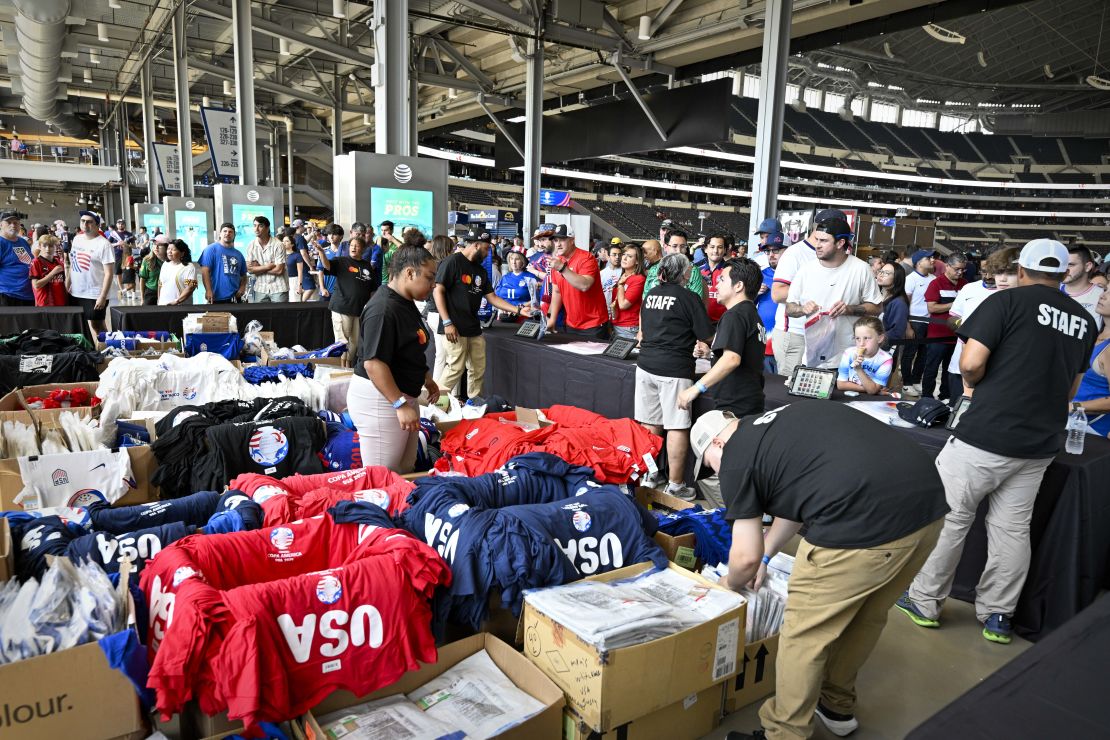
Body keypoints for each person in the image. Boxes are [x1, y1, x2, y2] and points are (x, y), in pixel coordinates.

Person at [690, 401, 947, 740]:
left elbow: (744, 559)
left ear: (718, 444)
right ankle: (836, 706)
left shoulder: (736, 458)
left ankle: (784, 733)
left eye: (710, 465)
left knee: (803, 633)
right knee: (865, 615)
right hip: (926, 507)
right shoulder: (779, 421)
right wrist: (767, 556)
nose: (717, 474)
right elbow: (800, 497)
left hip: (862, 520)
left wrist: (727, 584)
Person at [898, 239, 1095, 646]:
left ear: (1021, 270)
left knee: (950, 517)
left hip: (986, 432)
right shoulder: (1083, 319)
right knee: (1011, 528)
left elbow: (969, 363)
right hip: (1040, 441)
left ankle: (925, 601)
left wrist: (975, 383)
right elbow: (1070, 388)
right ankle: (998, 615)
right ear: (1061, 274)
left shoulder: (1005, 303)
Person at [347, 246, 441, 472]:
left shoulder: (404, 300)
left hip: (399, 397)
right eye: (429, 277)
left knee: (405, 471)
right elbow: (374, 363)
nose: (433, 285)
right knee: (383, 477)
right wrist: (399, 403)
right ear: (409, 273)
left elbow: (408, 349)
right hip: (382, 401)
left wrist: (426, 378)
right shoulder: (383, 308)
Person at [635, 253, 713, 500]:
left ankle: (649, 475)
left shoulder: (651, 295)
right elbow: (706, 334)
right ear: (685, 274)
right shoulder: (689, 298)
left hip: (646, 364)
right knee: (676, 426)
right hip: (673, 369)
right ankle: (676, 484)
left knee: (650, 424)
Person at [434, 226, 533, 402]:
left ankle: (474, 403)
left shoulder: (480, 270)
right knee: (455, 368)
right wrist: (447, 322)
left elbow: (492, 297)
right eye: (487, 248)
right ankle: (436, 406)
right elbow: (437, 290)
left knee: (478, 368)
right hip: (454, 326)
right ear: (477, 245)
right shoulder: (452, 262)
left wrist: (518, 310)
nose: (489, 253)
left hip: (473, 327)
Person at [785, 218, 881, 368]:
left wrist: (850, 309)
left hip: (849, 358)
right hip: (812, 358)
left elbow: (877, 308)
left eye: (823, 241)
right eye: (817, 240)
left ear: (840, 243)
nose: (817, 245)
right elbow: (790, 308)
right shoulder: (805, 270)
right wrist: (802, 309)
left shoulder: (861, 269)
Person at [677, 257, 766, 417]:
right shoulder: (751, 313)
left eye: (722, 280)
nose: (716, 285)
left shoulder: (735, 315)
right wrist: (710, 353)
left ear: (738, 286)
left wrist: (696, 388)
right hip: (749, 401)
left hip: (736, 405)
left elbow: (732, 359)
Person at [771, 210, 847, 377]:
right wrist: (816, 287)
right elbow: (777, 294)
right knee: (790, 388)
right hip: (795, 333)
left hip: (824, 334)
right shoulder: (796, 253)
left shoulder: (838, 255)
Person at [944, 247, 1019, 402]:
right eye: (985, 271)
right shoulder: (969, 288)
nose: (989, 276)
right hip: (961, 365)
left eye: (995, 271)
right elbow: (952, 319)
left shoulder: (1014, 299)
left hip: (994, 373)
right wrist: (967, 326)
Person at [306, 235, 377, 367]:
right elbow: (327, 266)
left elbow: (372, 290)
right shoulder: (342, 261)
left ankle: (347, 368)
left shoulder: (367, 266)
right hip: (341, 307)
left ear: (363, 248)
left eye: (357, 245)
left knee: (354, 344)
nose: (354, 248)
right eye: (351, 245)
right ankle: (343, 369)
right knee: (342, 342)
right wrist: (321, 252)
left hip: (359, 310)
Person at [546, 224, 611, 340]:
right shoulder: (558, 262)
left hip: (593, 324)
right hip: (571, 324)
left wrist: (562, 268)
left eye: (562, 240)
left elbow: (584, 285)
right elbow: (557, 292)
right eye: (556, 240)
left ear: (572, 240)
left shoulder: (586, 258)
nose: (558, 244)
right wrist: (552, 318)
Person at [922, 253, 968, 401]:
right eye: (957, 269)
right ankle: (926, 397)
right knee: (931, 368)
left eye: (963, 269)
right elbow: (932, 308)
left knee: (951, 370)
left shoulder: (965, 284)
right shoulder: (936, 283)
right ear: (947, 266)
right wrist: (955, 304)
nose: (960, 272)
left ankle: (945, 396)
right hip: (937, 336)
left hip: (957, 337)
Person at [67, 210, 115, 335]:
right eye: (83, 221)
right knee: (78, 325)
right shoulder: (77, 239)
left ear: (97, 225)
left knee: (97, 326)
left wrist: (102, 297)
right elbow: (73, 262)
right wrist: (68, 282)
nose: (85, 224)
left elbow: (109, 273)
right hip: (76, 292)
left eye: (89, 222)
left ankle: (108, 350)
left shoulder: (104, 244)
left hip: (94, 294)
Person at [1072, 289, 1110, 437]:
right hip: (1073, 423)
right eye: (1106, 289)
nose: (1103, 295)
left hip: (1093, 430)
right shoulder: (1092, 333)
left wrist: (1072, 407)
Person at [900, 249, 936, 397]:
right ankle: (907, 383)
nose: (933, 260)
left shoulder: (934, 279)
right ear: (919, 262)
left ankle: (916, 380)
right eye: (929, 258)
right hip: (915, 320)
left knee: (924, 354)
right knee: (909, 353)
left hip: (930, 321)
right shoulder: (911, 279)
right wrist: (907, 325)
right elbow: (905, 304)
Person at [835, 317, 894, 394]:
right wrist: (875, 390)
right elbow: (841, 385)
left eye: (866, 338)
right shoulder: (849, 353)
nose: (861, 343)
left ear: (880, 338)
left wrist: (859, 369)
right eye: (857, 338)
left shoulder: (886, 360)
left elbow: (872, 391)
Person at [645, 230, 706, 300]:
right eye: (674, 246)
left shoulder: (693, 271)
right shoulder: (654, 270)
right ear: (665, 247)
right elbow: (645, 299)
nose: (679, 251)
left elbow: (695, 301)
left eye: (682, 246)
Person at [877, 260, 910, 390]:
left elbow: (897, 332)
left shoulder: (899, 302)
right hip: (874, 349)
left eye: (886, 273)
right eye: (881, 271)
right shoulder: (881, 296)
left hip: (884, 351)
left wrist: (874, 341)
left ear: (897, 278)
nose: (881, 275)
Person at [756, 233, 786, 374]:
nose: (771, 255)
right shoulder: (759, 275)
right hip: (764, 344)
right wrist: (755, 294)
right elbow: (745, 304)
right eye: (768, 251)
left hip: (787, 344)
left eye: (776, 250)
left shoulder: (798, 274)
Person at [198, 224, 247, 304]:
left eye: (230, 232)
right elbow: (205, 271)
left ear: (234, 235)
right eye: (225, 231)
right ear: (220, 234)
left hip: (235, 298)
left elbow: (244, 275)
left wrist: (242, 287)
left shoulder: (238, 254)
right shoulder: (210, 249)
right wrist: (208, 290)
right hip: (215, 298)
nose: (227, 233)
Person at [245, 215, 287, 302]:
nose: (256, 229)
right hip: (260, 288)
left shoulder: (278, 245)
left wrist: (259, 267)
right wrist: (267, 266)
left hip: (278, 288)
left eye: (260, 226)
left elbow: (279, 270)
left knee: (281, 315)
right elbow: (250, 270)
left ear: (267, 228)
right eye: (254, 225)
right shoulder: (251, 246)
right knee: (260, 315)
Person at [1062, 245, 1104, 329]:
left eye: (1071, 264)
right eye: (1063, 264)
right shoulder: (1048, 291)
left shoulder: (1103, 296)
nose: (1064, 269)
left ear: (1088, 266)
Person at [611, 245, 646, 340]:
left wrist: (621, 285)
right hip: (617, 325)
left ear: (637, 261)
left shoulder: (639, 279)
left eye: (630, 256)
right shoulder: (624, 276)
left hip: (628, 327)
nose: (624, 258)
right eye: (624, 254)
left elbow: (623, 305)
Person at [0, 211, 34, 306]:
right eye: (9, 222)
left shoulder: (22, 241)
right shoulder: (1, 242)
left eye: (15, 222)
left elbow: (27, 262)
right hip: (8, 295)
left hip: (28, 294)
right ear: (1, 225)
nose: (13, 225)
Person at [493, 248, 539, 312]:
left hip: (523, 315)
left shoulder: (530, 277)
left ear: (523, 261)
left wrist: (519, 308)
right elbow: (496, 297)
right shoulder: (505, 277)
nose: (513, 262)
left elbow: (536, 300)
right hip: (503, 315)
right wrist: (502, 308)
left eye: (517, 259)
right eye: (511, 259)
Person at [28, 234, 68, 306]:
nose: (48, 249)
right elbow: (36, 285)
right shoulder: (36, 262)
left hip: (61, 303)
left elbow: (63, 284)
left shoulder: (59, 263)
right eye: (44, 246)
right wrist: (52, 273)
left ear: (55, 247)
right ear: (40, 246)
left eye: (51, 246)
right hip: (44, 304)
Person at [157, 240, 197, 306]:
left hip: (180, 306)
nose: (169, 251)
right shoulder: (165, 264)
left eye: (173, 250)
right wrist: (159, 300)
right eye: (168, 249)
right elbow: (160, 284)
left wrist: (177, 301)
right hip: (163, 305)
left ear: (182, 253)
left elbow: (191, 287)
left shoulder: (189, 267)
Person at [700, 234, 729, 323]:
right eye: (712, 247)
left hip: (723, 323)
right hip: (702, 323)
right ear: (705, 249)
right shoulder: (697, 271)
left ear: (725, 250)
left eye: (720, 247)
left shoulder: (730, 271)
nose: (715, 251)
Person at [138, 235, 167, 305]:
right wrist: (142, 298)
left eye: (159, 245)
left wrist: (191, 285)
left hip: (167, 292)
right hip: (151, 292)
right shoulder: (147, 260)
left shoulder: (172, 262)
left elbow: (191, 283)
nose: (156, 247)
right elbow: (142, 279)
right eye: (154, 244)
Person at [282, 229, 308, 302]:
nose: (284, 243)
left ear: (292, 244)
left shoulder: (297, 255)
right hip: (282, 280)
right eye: (283, 241)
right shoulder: (280, 255)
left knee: (294, 301)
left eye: (287, 241)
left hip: (294, 280)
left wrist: (299, 285)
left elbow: (300, 272)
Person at [600, 240, 623, 316]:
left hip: (620, 311)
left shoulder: (625, 272)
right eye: (614, 254)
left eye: (619, 255)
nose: (617, 257)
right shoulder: (601, 273)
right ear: (609, 256)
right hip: (604, 311)